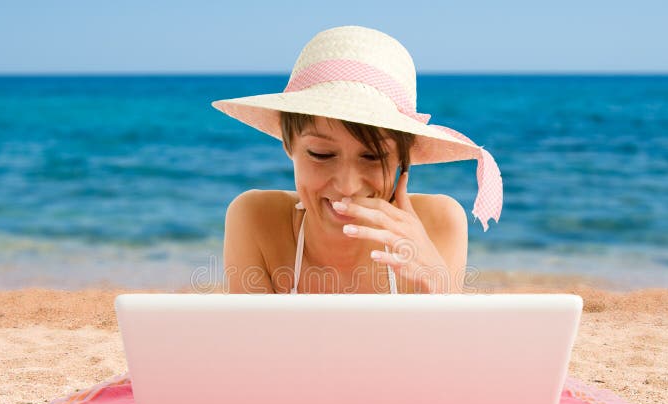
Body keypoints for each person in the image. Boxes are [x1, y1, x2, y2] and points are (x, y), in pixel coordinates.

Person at [214, 25, 503, 294]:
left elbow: (449, 348)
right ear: (289, 145)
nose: (347, 186)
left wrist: (438, 285)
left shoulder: (439, 224)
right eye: (321, 154)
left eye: (373, 156)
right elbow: (251, 347)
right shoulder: (256, 222)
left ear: (403, 162)